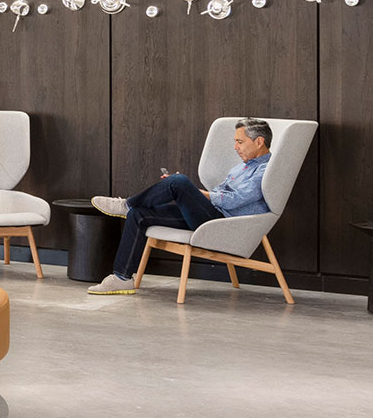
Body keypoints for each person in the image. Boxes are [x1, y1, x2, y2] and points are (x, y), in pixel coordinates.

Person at [86, 118, 275, 296]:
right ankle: (122, 278)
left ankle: (126, 204)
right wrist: (193, 195)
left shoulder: (264, 171)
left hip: (223, 223)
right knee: (139, 214)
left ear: (259, 142)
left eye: (240, 142)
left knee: (179, 182)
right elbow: (219, 195)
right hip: (213, 213)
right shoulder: (242, 166)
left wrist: (194, 193)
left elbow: (233, 200)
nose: (235, 147)